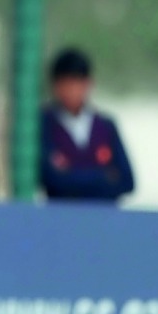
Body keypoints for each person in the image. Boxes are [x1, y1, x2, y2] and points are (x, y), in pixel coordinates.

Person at [40, 47, 134, 202]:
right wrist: (104, 175)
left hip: (102, 219)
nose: (72, 91)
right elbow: (52, 179)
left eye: (76, 84)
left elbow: (127, 181)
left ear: (89, 84)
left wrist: (70, 173)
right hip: (61, 218)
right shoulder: (43, 123)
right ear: (55, 86)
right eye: (66, 84)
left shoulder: (106, 126)